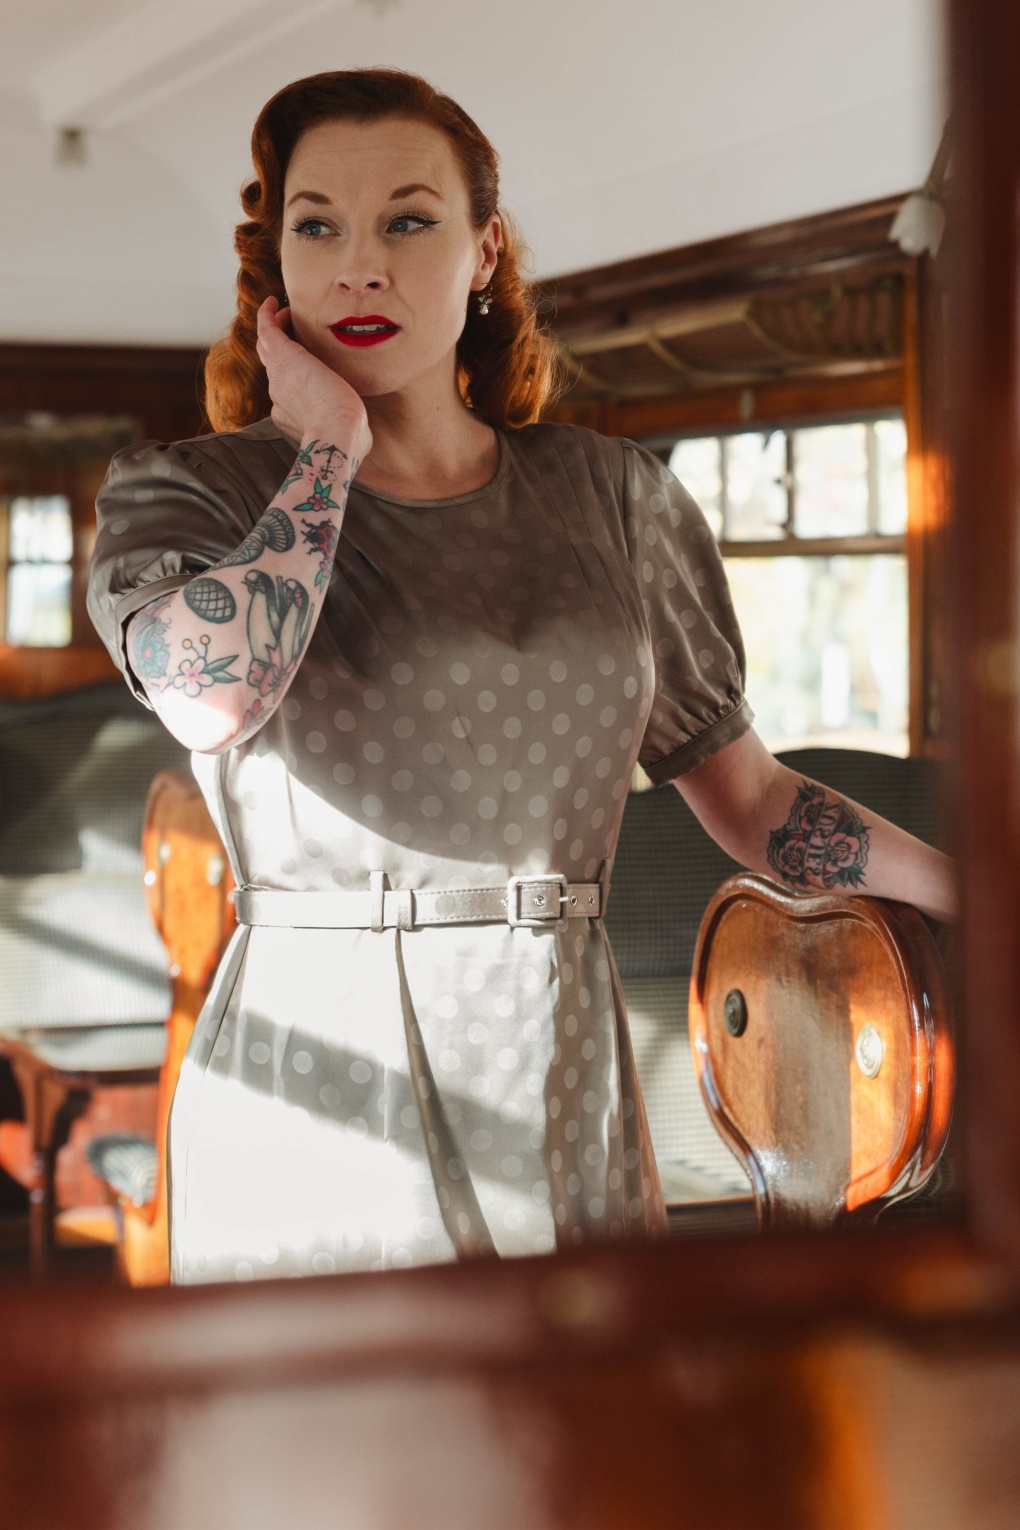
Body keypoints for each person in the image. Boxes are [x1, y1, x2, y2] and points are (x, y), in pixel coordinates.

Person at [88, 68, 954, 1285]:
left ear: (483, 249)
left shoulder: (615, 500)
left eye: (407, 220)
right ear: (277, 261)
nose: (362, 267)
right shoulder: (185, 493)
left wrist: (976, 891)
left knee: (579, 1402)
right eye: (318, 227)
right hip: (317, 1072)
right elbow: (210, 693)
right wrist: (327, 449)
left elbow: (755, 800)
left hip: (557, 1060)